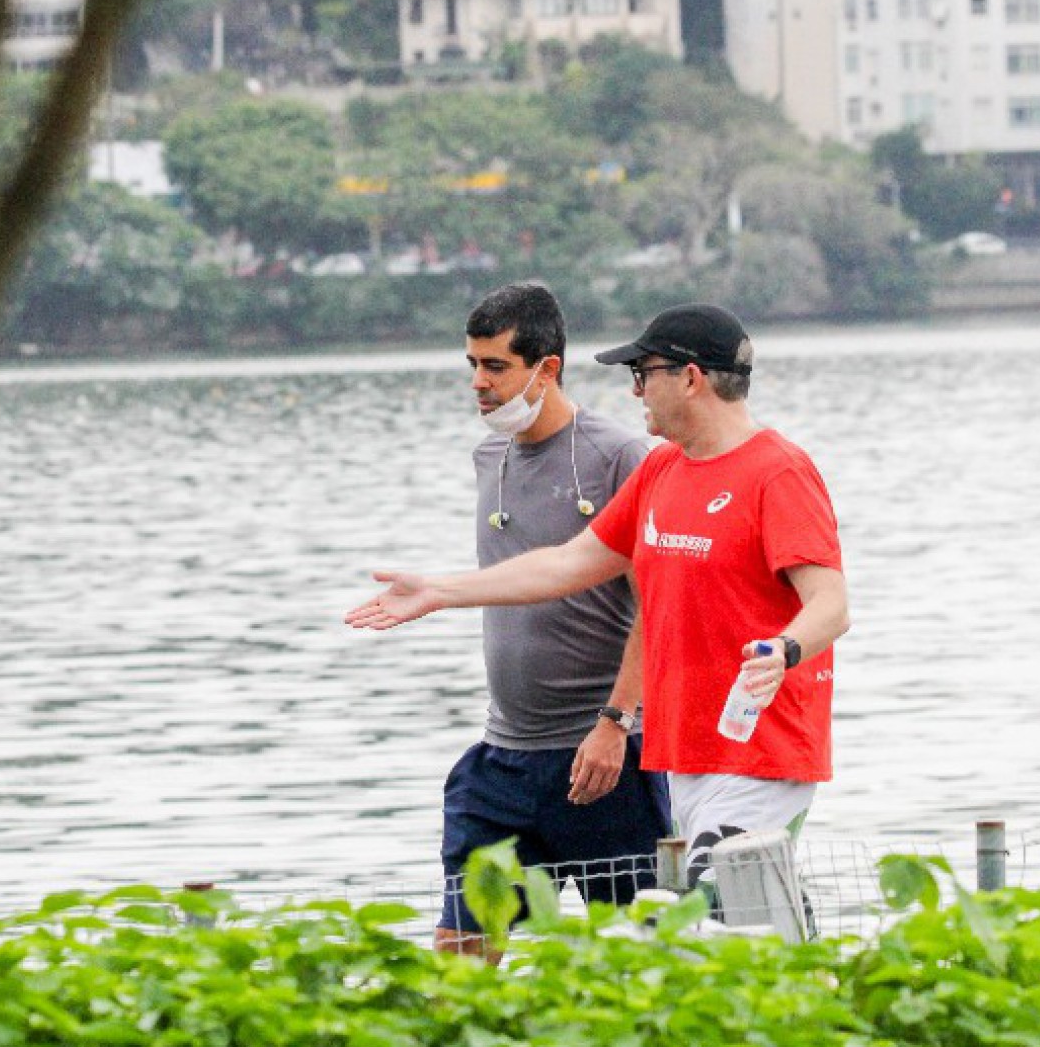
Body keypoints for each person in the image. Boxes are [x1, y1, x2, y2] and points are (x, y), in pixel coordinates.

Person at [347, 302, 847, 898]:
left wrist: (785, 649)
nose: (636, 392)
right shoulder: (662, 471)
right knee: (741, 926)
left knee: (720, 909)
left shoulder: (777, 471)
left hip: (763, 750)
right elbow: (570, 562)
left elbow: (831, 603)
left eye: (644, 374)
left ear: (689, 378)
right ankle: (815, 969)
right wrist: (437, 592)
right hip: (683, 749)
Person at [430, 281, 667, 956]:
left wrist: (615, 723)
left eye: (495, 366)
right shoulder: (490, 456)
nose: (478, 382)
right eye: (471, 364)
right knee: (463, 943)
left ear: (547, 367)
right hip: (503, 759)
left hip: (603, 757)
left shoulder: (622, 456)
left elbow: (655, 606)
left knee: (629, 956)